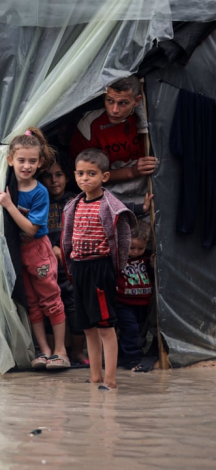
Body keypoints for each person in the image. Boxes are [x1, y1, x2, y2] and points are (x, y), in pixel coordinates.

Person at [62, 149, 136, 390]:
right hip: (80, 268)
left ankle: (110, 380)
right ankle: (95, 376)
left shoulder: (110, 205)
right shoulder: (74, 204)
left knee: (105, 325)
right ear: (74, 175)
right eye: (81, 174)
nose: (85, 179)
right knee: (88, 326)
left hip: (99, 269)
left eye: (91, 174)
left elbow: (122, 240)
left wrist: (116, 269)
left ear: (104, 177)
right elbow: (68, 238)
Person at [0, 128, 70, 370]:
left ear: (39, 164)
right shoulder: (7, 183)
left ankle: (61, 351)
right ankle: (44, 351)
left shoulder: (40, 192)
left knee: (51, 299)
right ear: (10, 161)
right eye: (21, 160)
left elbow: (30, 229)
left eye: (32, 161)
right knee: (32, 302)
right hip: (19, 253)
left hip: (37, 251)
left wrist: (9, 205)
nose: (26, 166)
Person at [70, 76, 158, 204]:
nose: (114, 110)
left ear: (137, 101)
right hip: (108, 199)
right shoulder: (89, 125)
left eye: (123, 103)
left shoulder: (149, 117)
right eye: (110, 101)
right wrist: (131, 172)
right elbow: (85, 176)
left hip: (149, 195)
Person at [39, 156, 89, 366]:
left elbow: (85, 229)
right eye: (48, 176)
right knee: (49, 306)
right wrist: (51, 248)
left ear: (67, 177)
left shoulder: (75, 201)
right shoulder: (39, 200)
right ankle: (54, 352)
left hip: (73, 264)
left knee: (76, 306)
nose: (54, 180)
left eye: (58, 175)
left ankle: (77, 352)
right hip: (45, 263)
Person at [116, 219, 154, 369]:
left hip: (144, 303)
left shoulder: (147, 258)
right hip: (123, 303)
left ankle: (127, 354)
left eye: (140, 248)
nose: (136, 252)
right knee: (130, 329)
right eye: (131, 248)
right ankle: (133, 359)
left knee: (137, 332)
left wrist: (151, 265)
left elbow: (151, 276)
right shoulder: (119, 258)